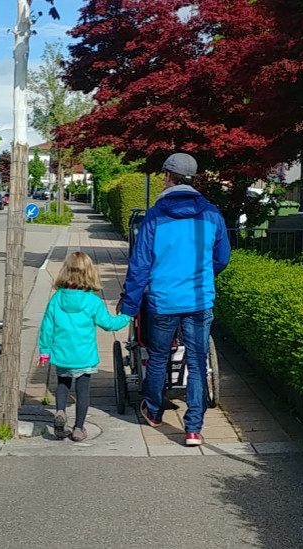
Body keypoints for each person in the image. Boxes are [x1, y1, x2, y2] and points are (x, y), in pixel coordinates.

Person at [119, 152, 231, 446]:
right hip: (199, 299)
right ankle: (193, 428)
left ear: (168, 177)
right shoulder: (211, 214)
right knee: (197, 360)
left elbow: (140, 263)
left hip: (163, 300)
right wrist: (204, 273)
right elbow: (222, 257)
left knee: (157, 358)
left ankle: (154, 412)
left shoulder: (155, 215)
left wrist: (129, 305)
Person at [39, 251, 131, 442]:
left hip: (62, 354)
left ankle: (61, 411)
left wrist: (45, 351)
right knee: (83, 391)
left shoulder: (56, 299)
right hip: (84, 356)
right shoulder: (92, 301)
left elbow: (47, 326)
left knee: (63, 385)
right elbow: (108, 324)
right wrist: (126, 316)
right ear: (89, 273)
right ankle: (79, 428)